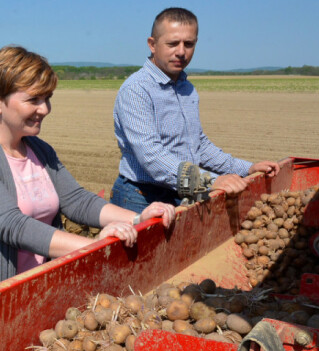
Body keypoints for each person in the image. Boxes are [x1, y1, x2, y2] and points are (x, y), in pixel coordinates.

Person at [0, 46, 176, 308]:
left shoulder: (40, 150)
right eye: (33, 99)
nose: (45, 109)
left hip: (31, 299)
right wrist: (93, 246)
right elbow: (13, 226)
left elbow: (77, 201)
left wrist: (138, 218)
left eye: (47, 98)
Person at [111, 7, 286, 213]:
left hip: (182, 192)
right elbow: (152, 157)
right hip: (141, 197)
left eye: (189, 44)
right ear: (152, 44)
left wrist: (246, 168)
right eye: (172, 43)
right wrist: (209, 181)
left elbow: (198, 145)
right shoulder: (136, 89)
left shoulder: (187, 88)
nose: (181, 52)